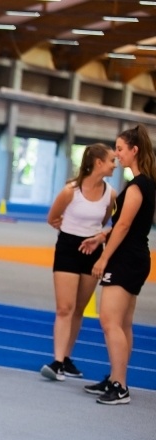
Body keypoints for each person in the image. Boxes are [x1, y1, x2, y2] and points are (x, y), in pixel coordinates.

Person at [83, 124, 155, 405]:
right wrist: (102, 234)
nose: (117, 154)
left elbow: (124, 225)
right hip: (135, 256)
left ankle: (120, 385)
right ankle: (116, 377)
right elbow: (128, 225)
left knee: (109, 321)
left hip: (126, 259)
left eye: (121, 149)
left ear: (134, 150)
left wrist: (103, 257)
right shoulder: (144, 182)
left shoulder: (138, 185)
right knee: (122, 323)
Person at [40, 144, 116, 382]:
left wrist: (94, 236)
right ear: (98, 163)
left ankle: (67, 357)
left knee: (79, 309)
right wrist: (67, 228)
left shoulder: (110, 193)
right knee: (65, 308)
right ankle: (57, 361)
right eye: (112, 160)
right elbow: (52, 217)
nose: (115, 164)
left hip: (92, 250)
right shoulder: (70, 191)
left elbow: (105, 221)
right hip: (67, 249)